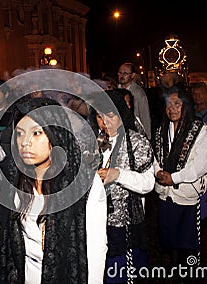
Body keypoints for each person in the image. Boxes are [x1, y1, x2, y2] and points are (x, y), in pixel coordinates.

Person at [0, 97, 107, 283]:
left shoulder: (85, 183)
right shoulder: (17, 180)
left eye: (36, 133)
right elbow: (15, 230)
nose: (25, 142)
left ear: (55, 135)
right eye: (19, 134)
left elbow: (95, 250)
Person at [89, 90, 155, 283]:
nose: (105, 122)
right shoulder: (94, 140)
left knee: (124, 275)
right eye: (99, 116)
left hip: (125, 224)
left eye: (110, 116)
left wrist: (118, 175)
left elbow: (148, 183)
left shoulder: (136, 141)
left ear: (120, 115)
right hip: (98, 223)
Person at [153, 85, 207, 273]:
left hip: (188, 194)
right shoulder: (162, 129)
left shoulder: (200, 130)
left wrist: (175, 178)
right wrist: (158, 173)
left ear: (186, 105)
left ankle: (190, 272)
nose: (172, 109)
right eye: (168, 104)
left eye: (177, 104)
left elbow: (201, 164)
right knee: (169, 236)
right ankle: (173, 268)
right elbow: (154, 156)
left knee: (188, 240)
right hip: (165, 193)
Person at [117, 62, 152, 140]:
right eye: (120, 73)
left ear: (132, 75)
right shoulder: (115, 90)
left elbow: (144, 115)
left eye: (125, 73)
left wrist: (147, 136)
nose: (122, 76)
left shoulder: (138, 92)